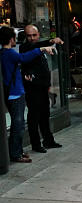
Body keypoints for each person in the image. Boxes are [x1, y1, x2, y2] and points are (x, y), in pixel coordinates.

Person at [1, 26, 55, 163]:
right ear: (11, 39)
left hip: (14, 92)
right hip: (15, 94)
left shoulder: (5, 53)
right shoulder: (10, 53)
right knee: (18, 125)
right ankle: (16, 153)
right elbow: (23, 58)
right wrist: (42, 49)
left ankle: (17, 151)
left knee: (19, 124)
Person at [19, 24, 64, 153]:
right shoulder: (25, 47)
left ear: (38, 35)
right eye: (29, 36)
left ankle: (48, 140)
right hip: (32, 88)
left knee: (45, 115)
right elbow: (34, 47)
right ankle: (36, 144)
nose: (32, 38)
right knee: (34, 117)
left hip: (43, 87)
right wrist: (49, 41)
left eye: (34, 35)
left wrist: (48, 85)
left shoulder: (39, 47)